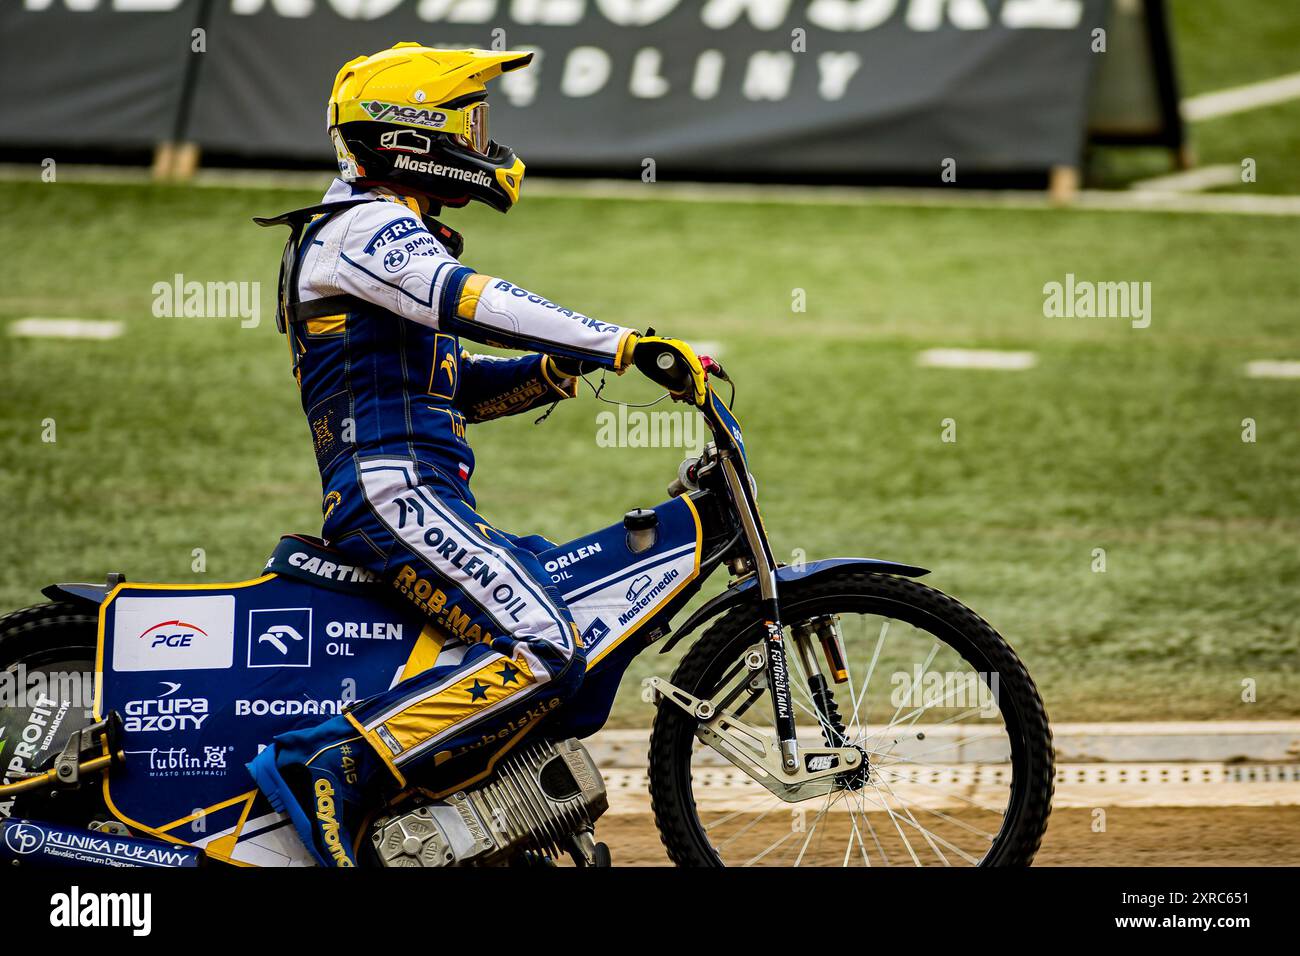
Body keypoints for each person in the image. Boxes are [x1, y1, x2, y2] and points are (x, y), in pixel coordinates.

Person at [245, 42, 706, 867]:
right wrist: (618, 345)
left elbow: (445, 393)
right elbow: (472, 302)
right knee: (546, 644)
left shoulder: (377, 224)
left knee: (567, 596)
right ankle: (335, 763)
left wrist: (551, 373)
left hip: (416, 492)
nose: (481, 140)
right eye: (467, 121)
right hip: (394, 495)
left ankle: (496, 819)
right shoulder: (367, 223)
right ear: (411, 134)